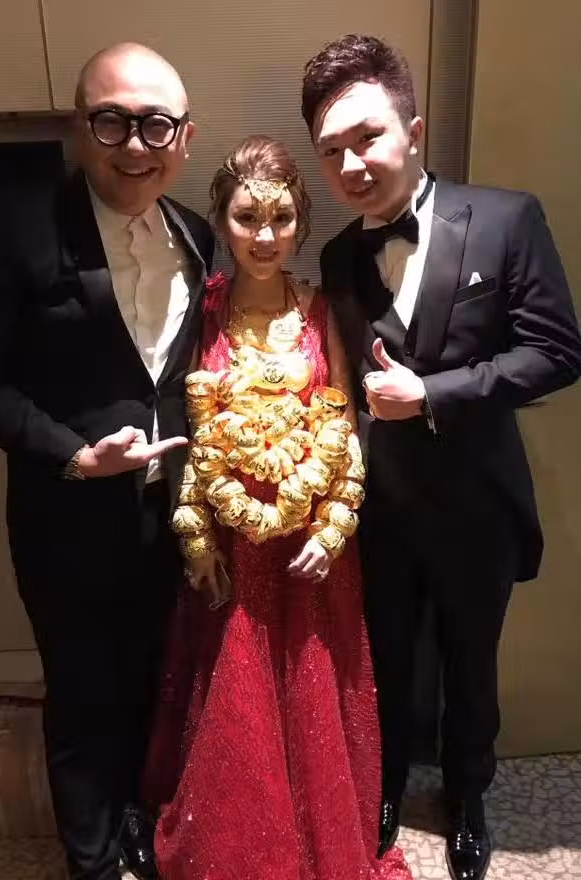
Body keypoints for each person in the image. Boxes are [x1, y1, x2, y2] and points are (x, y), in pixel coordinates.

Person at [301, 33, 581, 880]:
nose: (351, 164)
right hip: (382, 508)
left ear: (414, 130)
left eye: (369, 137)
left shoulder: (506, 218)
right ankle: (384, 787)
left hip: (477, 503)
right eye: (332, 150)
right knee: (383, 658)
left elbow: (557, 351)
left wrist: (433, 393)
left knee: (470, 660)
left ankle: (468, 794)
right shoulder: (338, 256)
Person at [0, 43, 214, 880]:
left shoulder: (199, 235)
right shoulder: (11, 228)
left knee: (153, 677)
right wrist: (69, 455)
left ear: (185, 137)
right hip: (63, 515)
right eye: (111, 121)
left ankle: (139, 820)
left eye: (155, 125)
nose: (134, 145)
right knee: (80, 692)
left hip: (172, 514)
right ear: (78, 126)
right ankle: (91, 858)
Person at [141, 135, 413, 880]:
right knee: (238, 696)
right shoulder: (202, 312)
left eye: (282, 218)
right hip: (233, 539)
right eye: (247, 218)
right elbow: (191, 432)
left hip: (314, 542)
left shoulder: (323, 309)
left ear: (301, 221)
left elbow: (345, 424)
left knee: (313, 692)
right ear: (221, 221)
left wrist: (335, 525)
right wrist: (197, 539)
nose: (265, 237)